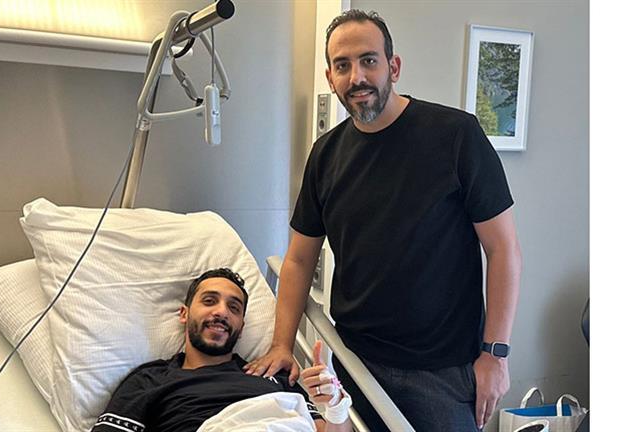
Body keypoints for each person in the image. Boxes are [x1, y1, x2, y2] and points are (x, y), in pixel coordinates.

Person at [244, 9, 522, 432]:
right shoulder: (325, 155)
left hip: (442, 372)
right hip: (355, 363)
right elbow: (298, 260)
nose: (357, 76)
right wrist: (282, 344)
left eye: (368, 60)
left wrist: (495, 355)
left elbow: (503, 250)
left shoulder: (455, 136)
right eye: (343, 65)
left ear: (393, 67)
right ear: (330, 77)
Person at [92, 268, 353, 432]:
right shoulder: (150, 380)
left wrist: (335, 405)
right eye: (209, 301)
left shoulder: (273, 374)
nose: (221, 312)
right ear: (184, 314)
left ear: (241, 326)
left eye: (234, 308)